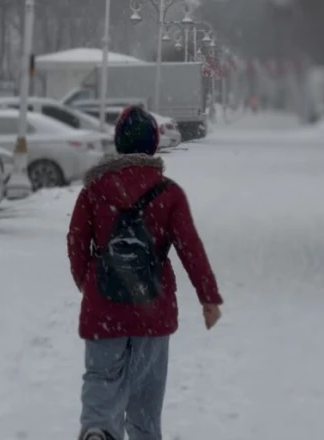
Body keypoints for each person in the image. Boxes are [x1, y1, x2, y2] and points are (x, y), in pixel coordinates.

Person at [67, 105, 224, 440]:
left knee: (101, 378)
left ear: (119, 143)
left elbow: (77, 242)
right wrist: (208, 297)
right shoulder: (168, 193)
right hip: (152, 307)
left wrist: (88, 284)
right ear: (153, 144)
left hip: (103, 307)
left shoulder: (94, 190)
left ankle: (98, 428)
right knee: (145, 396)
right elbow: (190, 247)